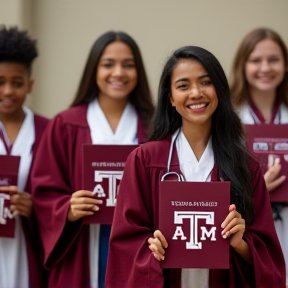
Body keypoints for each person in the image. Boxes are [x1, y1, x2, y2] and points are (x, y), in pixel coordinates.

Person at [106, 46, 285, 288]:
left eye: (205, 82)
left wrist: (241, 243)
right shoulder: (144, 161)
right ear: (170, 98)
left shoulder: (246, 167)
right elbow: (125, 246)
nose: (196, 93)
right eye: (183, 86)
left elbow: (269, 262)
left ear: (219, 90)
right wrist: (151, 251)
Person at [31, 31, 154, 288]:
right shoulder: (66, 124)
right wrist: (68, 209)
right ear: (94, 69)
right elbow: (44, 190)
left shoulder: (153, 126)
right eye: (108, 64)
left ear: (138, 71)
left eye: (128, 65)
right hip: (83, 243)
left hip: (137, 242)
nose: (118, 73)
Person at [230, 27, 288, 285]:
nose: (265, 67)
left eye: (273, 59)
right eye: (256, 60)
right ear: (242, 65)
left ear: (285, 65)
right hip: (251, 227)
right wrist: (256, 188)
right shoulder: (228, 118)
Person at [0, 26, 49, 288]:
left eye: (16, 83)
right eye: (0, 82)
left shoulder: (49, 131)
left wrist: (35, 208)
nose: (8, 91)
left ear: (29, 85)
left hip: (27, 246)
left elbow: (58, 194)